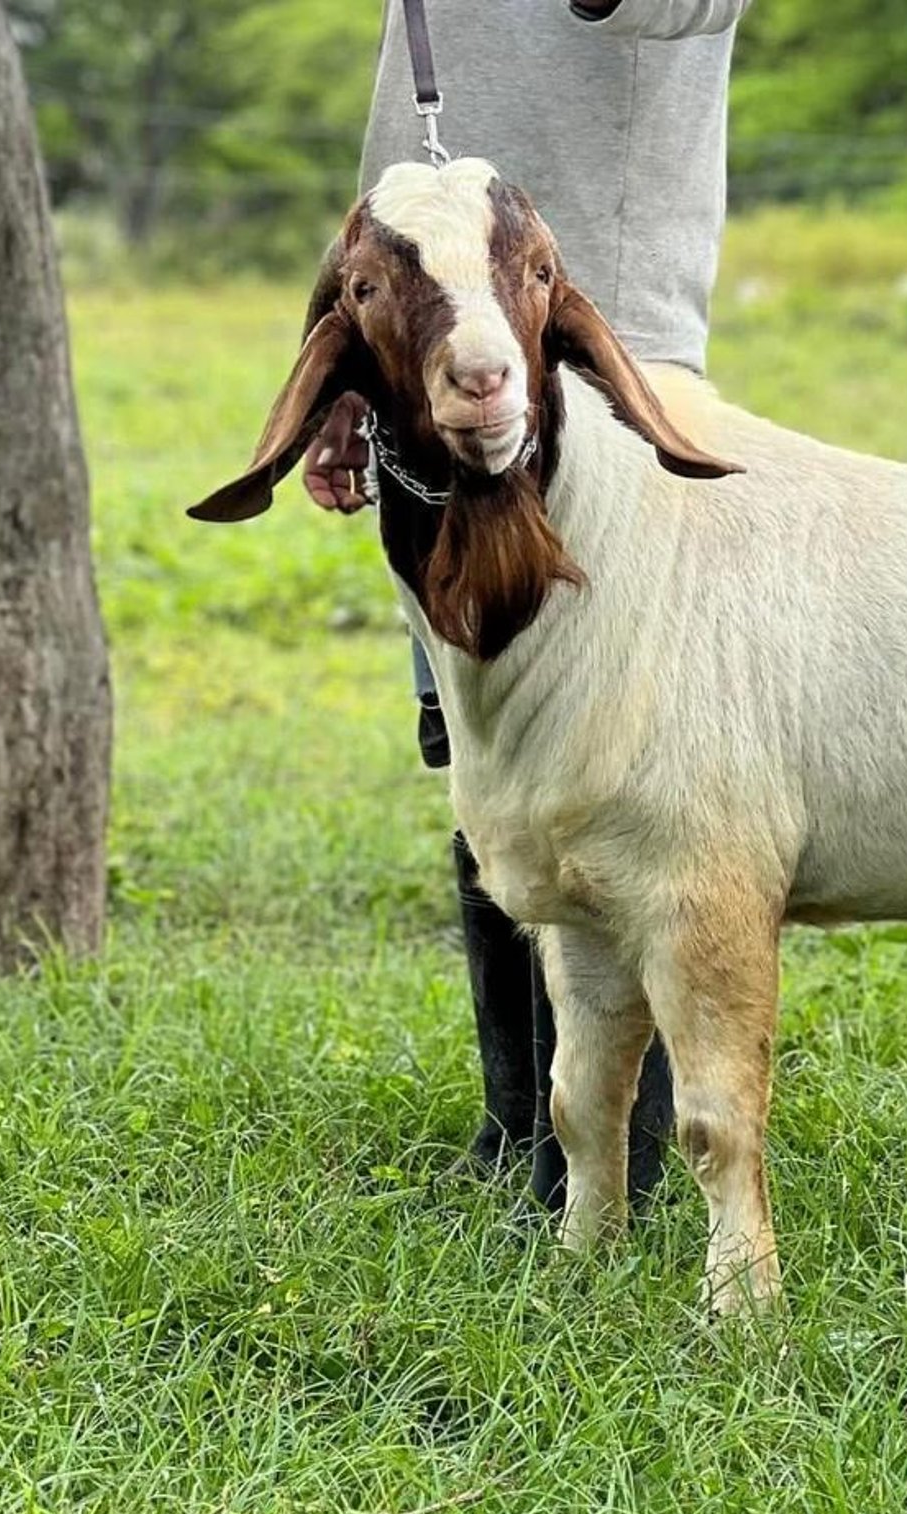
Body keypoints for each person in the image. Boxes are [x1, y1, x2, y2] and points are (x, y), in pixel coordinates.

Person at [305, 0, 751, 1211]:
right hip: (423, 364)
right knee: (483, 755)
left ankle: (625, 1153)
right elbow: (404, 141)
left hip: (594, 377)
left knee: (631, 782)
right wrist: (357, 365)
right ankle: (524, 1130)